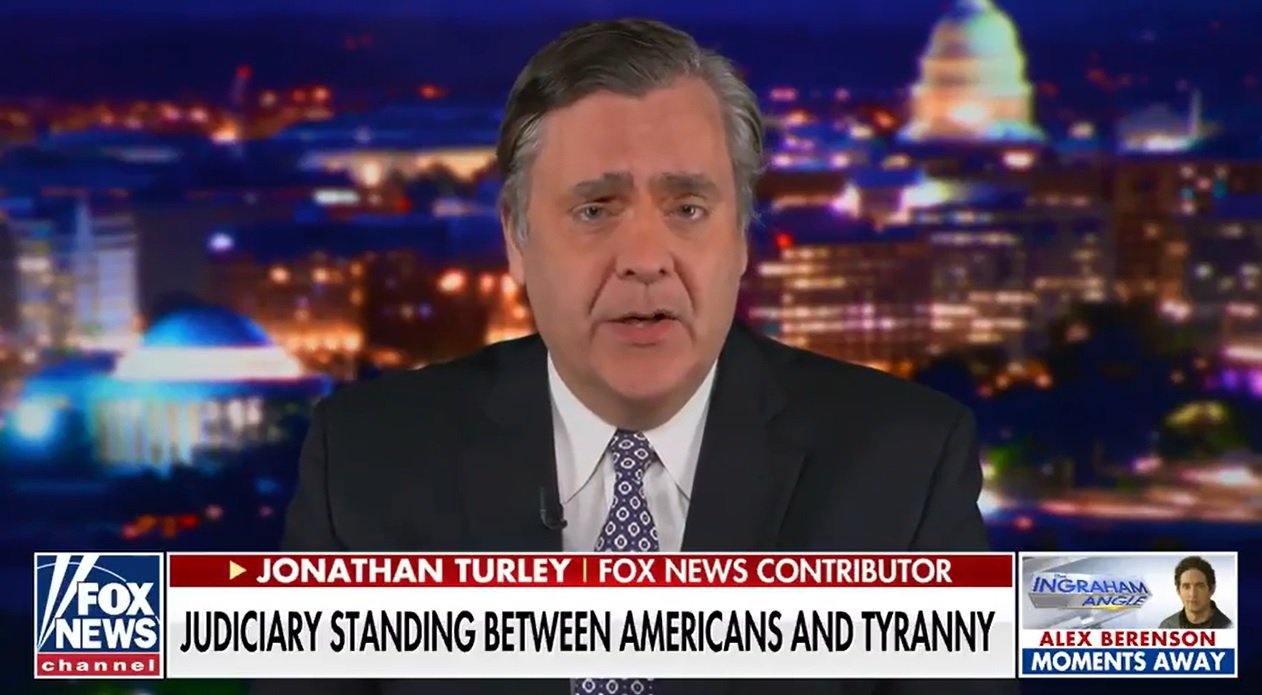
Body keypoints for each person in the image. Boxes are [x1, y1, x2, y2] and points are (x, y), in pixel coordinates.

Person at [255, 19, 1014, 695]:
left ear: (741, 238)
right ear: (517, 237)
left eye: (688, 208)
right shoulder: (365, 459)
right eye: (595, 209)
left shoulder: (905, 465)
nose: (645, 258)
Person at [1159, 556, 1234, 629]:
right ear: (1178, 591)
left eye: (1200, 586)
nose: (1193, 594)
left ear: (1212, 589)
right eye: (1186, 587)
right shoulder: (1166, 627)